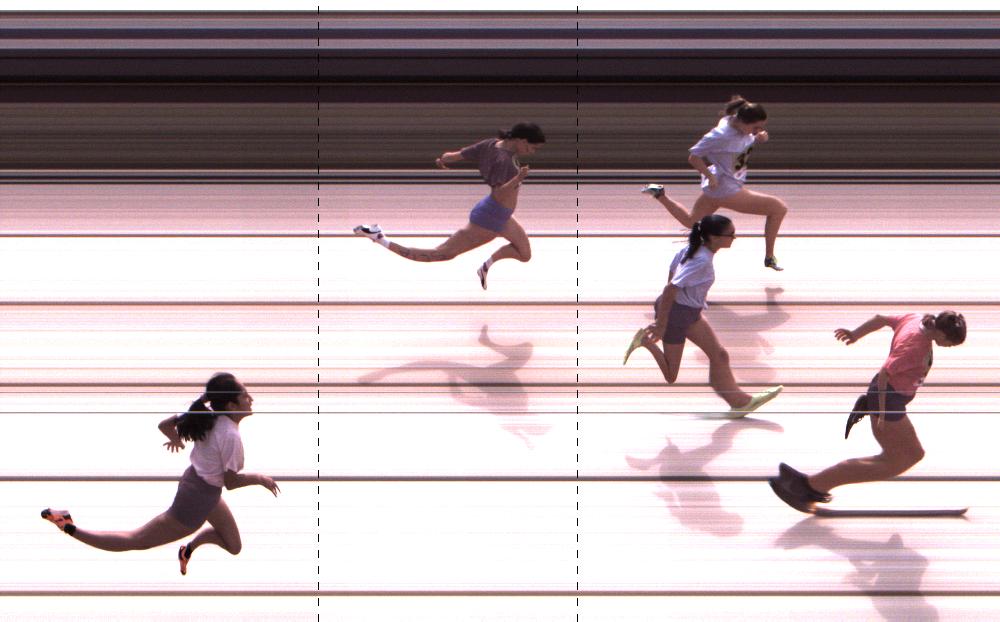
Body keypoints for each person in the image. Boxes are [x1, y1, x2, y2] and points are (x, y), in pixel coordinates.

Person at [41, 372, 280, 575]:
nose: (251, 399)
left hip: (199, 486)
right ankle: (69, 526)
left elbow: (164, 425)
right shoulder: (231, 436)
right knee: (137, 540)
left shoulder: (209, 416)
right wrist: (260, 479)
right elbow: (231, 482)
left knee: (234, 546)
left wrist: (176, 439)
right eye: (245, 396)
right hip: (197, 501)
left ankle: (188, 549)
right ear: (231, 406)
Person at [769, 311, 967, 512]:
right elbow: (884, 374)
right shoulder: (914, 346)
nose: (950, 346)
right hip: (888, 401)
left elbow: (881, 318)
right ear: (940, 334)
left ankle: (811, 485)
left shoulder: (916, 319)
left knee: (907, 455)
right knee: (898, 461)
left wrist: (855, 334)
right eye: (950, 342)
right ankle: (811, 487)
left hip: (890, 399)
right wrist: (881, 413)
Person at [622, 213, 783, 417]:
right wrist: (662, 324)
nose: (734, 238)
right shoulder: (701, 261)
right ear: (714, 238)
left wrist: (675, 304)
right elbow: (671, 288)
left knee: (719, 355)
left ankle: (739, 403)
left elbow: (671, 275)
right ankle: (645, 341)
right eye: (730, 234)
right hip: (677, 315)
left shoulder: (692, 250)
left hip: (688, 312)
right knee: (671, 375)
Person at [353, 122, 546, 290]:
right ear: (521, 140)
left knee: (524, 254)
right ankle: (379, 237)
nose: (532, 152)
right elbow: (500, 194)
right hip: (490, 219)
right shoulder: (503, 161)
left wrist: (443, 160)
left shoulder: (491, 144)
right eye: (531, 147)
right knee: (442, 254)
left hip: (501, 215)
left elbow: (456, 155)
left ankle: (485, 266)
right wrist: (517, 179)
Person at [642, 95, 788, 271]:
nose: (758, 130)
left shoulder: (737, 125)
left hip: (718, 188)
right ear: (742, 121)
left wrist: (757, 138)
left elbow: (741, 142)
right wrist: (709, 176)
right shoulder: (719, 135)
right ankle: (769, 257)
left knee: (691, 222)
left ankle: (660, 194)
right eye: (755, 127)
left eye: (761, 127)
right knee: (778, 208)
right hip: (727, 190)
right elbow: (694, 157)